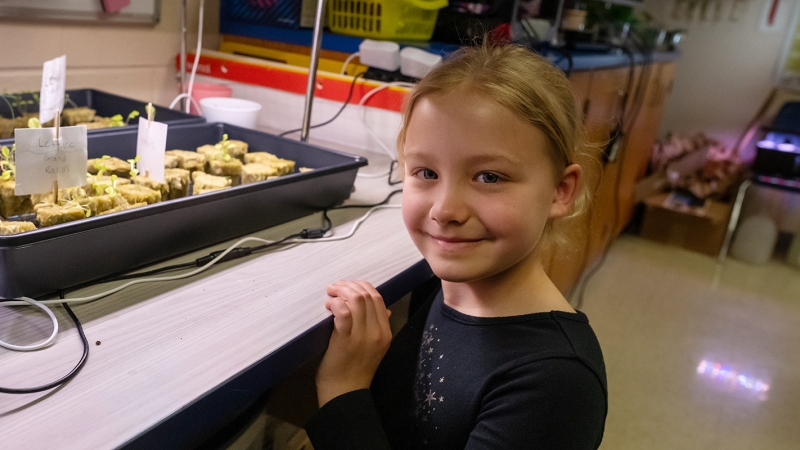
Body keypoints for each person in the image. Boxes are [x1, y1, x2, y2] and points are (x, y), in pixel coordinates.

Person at [305, 41, 607, 449]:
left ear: (560, 190)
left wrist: (343, 388)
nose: (445, 210)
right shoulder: (443, 286)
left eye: (489, 177)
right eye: (426, 171)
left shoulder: (555, 383)